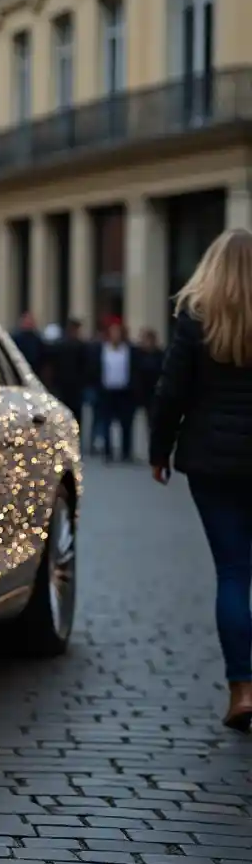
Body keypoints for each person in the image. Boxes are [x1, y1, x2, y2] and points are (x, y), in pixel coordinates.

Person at [149, 228, 252, 732]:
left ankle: (242, 689)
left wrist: (157, 450)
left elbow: (171, 392)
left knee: (233, 573)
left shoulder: (196, 316)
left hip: (212, 462)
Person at [90, 320, 140, 462]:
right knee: (106, 422)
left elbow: (136, 370)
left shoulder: (129, 350)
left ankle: (126, 452)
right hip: (106, 391)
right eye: (113, 332)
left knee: (126, 423)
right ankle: (108, 451)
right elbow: (94, 369)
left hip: (125, 391)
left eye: (118, 332)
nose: (116, 335)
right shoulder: (101, 349)